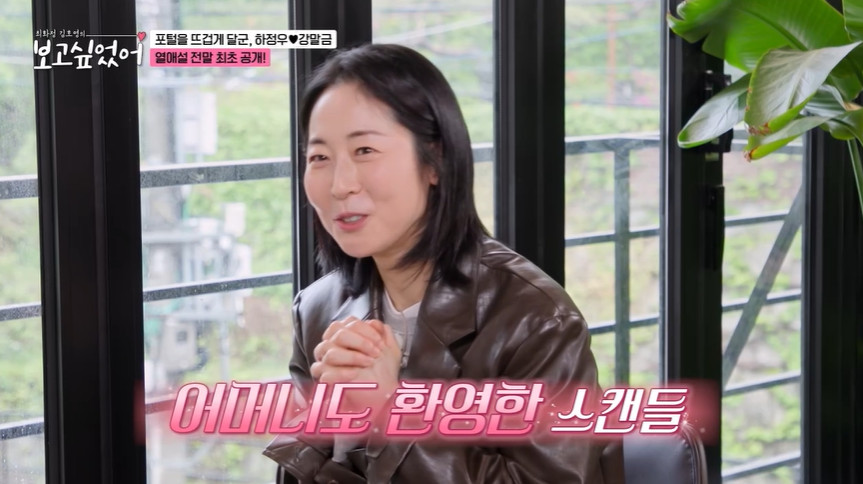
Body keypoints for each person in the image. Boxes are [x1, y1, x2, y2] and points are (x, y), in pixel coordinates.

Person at [264, 43, 624, 483]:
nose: (340, 185)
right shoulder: (317, 311)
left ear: (435, 161)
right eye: (319, 157)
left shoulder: (536, 321)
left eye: (365, 151)